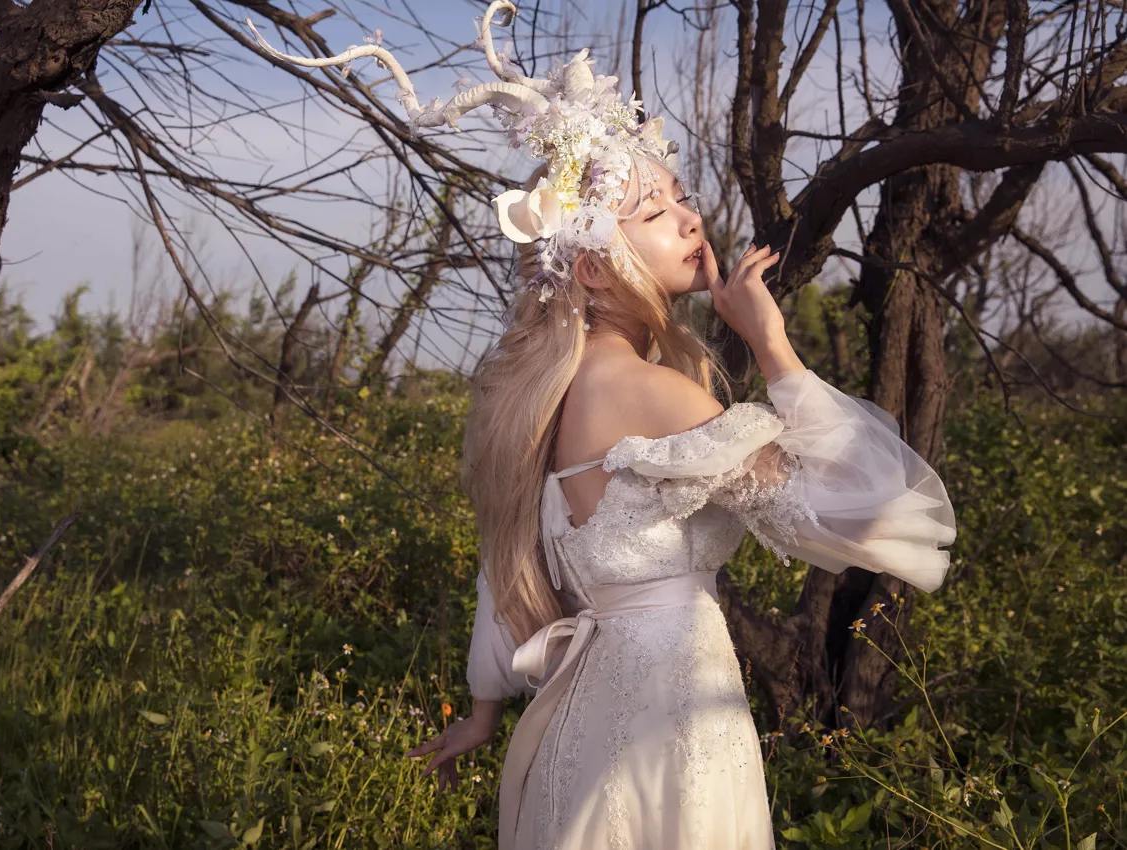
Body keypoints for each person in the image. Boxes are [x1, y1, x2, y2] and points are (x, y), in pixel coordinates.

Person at [250, 3, 957, 847]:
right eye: (657, 213)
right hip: (670, 726)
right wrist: (773, 347)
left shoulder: (543, 401)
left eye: (683, 198)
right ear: (593, 266)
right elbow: (868, 515)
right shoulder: (653, 394)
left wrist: (482, 712)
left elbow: (502, 568)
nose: (693, 219)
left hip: (583, 718)